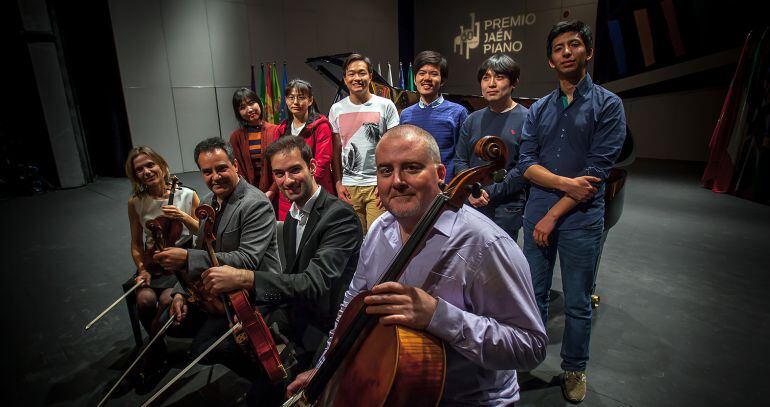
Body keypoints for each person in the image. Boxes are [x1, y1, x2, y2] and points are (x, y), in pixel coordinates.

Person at [288, 125, 547, 405]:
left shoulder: (485, 245)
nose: (397, 180)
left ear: (440, 175)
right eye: (385, 170)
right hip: (396, 390)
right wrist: (327, 368)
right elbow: (351, 307)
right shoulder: (378, 231)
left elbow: (530, 346)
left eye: (411, 168)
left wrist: (439, 316)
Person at [518, 20, 627, 403]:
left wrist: (553, 213)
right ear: (550, 61)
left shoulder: (609, 105)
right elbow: (525, 163)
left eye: (574, 44)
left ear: (588, 52)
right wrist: (565, 184)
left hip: (581, 219)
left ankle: (574, 368)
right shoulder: (539, 109)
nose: (566, 51)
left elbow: (597, 173)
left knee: (579, 301)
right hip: (539, 212)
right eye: (559, 47)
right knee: (533, 294)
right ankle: (525, 358)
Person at [214, 135, 362, 374]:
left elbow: (313, 283)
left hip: (329, 325)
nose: (287, 180)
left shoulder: (339, 216)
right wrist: (255, 315)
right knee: (230, 346)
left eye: (295, 170)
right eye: (279, 174)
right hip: (301, 312)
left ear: (312, 167)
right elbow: (292, 278)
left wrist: (245, 277)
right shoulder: (293, 215)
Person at [153, 137, 283, 404]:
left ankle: (270, 379)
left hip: (258, 289)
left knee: (206, 348)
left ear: (236, 165)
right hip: (221, 289)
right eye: (207, 171)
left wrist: (187, 258)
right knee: (170, 317)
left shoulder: (254, 203)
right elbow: (202, 246)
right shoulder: (210, 202)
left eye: (221, 168)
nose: (215, 177)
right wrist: (181, 291)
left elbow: (247, 260)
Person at [125, 146, 200, 382]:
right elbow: (136, 244)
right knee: (145, 300)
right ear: (135, 175)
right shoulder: (136, 202)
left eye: (150, 165)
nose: (147, 171)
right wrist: (142, 269)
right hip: (154, 262)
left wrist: (183, 217)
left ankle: (152, 352)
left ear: (162, 165)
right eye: (140, 169)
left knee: (168, 299)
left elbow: (205, 233)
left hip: (181, 263)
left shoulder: (187, 195)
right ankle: (158, 350)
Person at [454, 53, 529, 241]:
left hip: (506, 206)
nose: (491, 84)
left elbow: (524, 166)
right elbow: (461, 159)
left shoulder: (527, 118)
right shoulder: (472, 119)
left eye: (499, 77)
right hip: (472, 202)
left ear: (514, 82)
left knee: (500, 265)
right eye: (486, 78)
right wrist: (472, 190)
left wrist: (488, 192)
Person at [329, 53, 399, 233]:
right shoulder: (336, 109)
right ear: (345, 79)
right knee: (355, 242)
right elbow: (336, 151)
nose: (357, 78)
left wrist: (387, 182)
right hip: (349, 187)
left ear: (370, 76)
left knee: (378, 240)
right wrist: (338, 183)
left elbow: (394, 149)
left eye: (362, 73)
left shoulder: (386, 105)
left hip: (377, 185)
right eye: (351, 74)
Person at [399, 50, 468, 182]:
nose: (427, 78)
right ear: (415, 79)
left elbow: (462, 158)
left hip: (445, 188)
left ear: (442, 80)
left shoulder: (458, 112)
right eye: (422, 73)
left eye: (434, 74)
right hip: (413, 186)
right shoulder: (405, 114)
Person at [272, 79, 335, 220]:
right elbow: (277, 164)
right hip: (288, 193)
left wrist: (305, 188)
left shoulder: (321, 125)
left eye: (301, 97)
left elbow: (323, 162)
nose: (296, 102)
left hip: (314, 190)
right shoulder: (281, 129)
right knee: (290, 235)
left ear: (310, 100)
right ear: (286, 101)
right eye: (291, 97)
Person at [229, 87, 278, 201]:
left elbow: (282, 165)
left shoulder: (275, 131)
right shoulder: (236, 137)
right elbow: (237, 169)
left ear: (259, 103)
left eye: (252, 103)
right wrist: (250, 194)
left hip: (277, 193)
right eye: (242, 107)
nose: (249, 109)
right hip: (248, 196)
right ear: (238, 112)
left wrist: (271, 191)